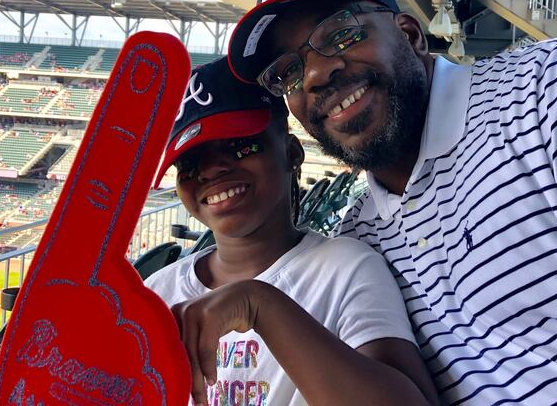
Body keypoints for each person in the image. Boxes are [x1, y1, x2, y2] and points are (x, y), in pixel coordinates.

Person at [226, 0, 557, 404]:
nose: (315, 74)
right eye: (286, 72)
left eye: (340, 35)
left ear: (411, 33)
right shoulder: (359, 241)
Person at [145, 57, 440, 406]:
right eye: (189, 164)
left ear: (291, 153)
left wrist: (260, 305)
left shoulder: (346, 268)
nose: (210, 171)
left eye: (240, 146)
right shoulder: (154, 294)